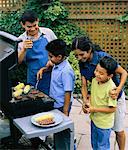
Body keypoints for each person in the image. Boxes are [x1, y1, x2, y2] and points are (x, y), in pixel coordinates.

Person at [72, 36, 127, 150]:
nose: (79, 58)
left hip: (114, 97)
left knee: (118, 129)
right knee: (98, 129)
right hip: (99, 98)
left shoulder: (103, 58)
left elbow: (124, 73)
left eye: (82, 54)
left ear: (89, 50)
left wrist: (117, 89)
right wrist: (85, 101)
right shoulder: (82, 62)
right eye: (76, 55)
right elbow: (84, 85)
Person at [37, 39, 75, 150]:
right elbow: (50, 64)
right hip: (56, 103)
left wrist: (65, 111)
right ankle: (59, 146)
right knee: (57, 131)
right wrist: (44, 69)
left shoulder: (66, 71)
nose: (49, 59)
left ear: (59, 57)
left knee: (62, 131)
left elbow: (68, 92)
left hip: (62, 105)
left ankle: (68, 147)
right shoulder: (57, 64)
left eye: (50, 56)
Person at [18, 10, 57, 95]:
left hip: (51, 73)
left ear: (38, 20)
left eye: (34, 25)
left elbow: (59, 50)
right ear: (23, 25)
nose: (32, 29)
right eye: (29, 27)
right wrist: (23, 50)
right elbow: (18, 61)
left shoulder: (48, 33)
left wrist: (51, 62)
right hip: (33, 76)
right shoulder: (21, 40)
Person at [83, 56, 117, 150]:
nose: (97, 74)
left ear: (110, 76)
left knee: (102, 146)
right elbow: (93, 96)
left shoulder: (111, 88)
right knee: (94, 143)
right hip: (94, 119)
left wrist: (94, 109)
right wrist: (87, 104)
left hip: (104, 124)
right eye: (96, 70)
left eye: (101, 73)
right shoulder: (95, 81)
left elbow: (113, 108)